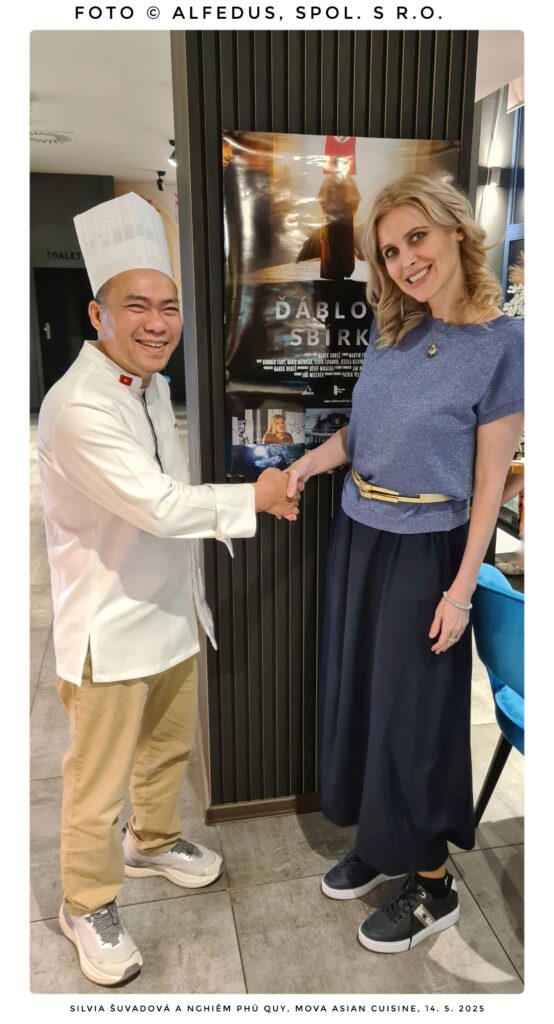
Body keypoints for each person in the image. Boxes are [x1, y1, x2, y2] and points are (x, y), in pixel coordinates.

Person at [37, 193, 300, 986]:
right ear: (97, 313)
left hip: (169, 610)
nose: (157, 323)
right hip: (108, 625)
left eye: (169, 306)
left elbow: (164, 495)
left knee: (166, 749)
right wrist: (254, 498)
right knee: (95, 785)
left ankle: (151, 842)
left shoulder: (145, 385)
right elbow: (155, 504)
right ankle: (84, 904)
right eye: (137, 306)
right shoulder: (79, 406)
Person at [286, 173, 523, 953]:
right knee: (361, 696)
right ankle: (381, 842)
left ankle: (432, 885)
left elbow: (490, 480)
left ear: (457, 229)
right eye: (389, 251)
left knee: (414, 717)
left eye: (416, 237)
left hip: (428, 550)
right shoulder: (392, 332)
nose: (405, 260)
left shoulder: (503, 345)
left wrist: (460, 591)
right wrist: (309, 463)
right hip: (359, 534)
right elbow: (362, 434)